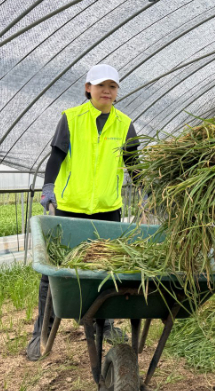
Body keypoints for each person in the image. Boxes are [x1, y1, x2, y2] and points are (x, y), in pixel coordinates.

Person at [26, 64, 139, 361]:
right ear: (88, 88)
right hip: (69, 209)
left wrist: (150, 192)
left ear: (117, 92)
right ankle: (42, 330)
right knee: (54, 273)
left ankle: (106, 324)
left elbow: (135, 166)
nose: (107, 91)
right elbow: (57, 156)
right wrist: (48, 187)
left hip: (107, 210)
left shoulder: (125, 124)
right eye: (101, 85)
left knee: (106, 271)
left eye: (113, 87)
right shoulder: (71, 118)